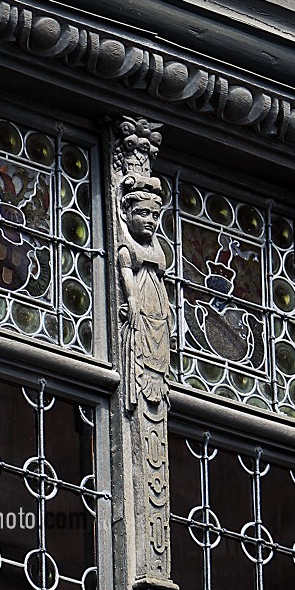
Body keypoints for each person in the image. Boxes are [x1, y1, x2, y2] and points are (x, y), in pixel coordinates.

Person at [117, 173, 172, 413]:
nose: (151, 220)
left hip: (158, 308)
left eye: (155, 215)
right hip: (139, 304)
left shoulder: (156, 251)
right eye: (143, 213)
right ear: (125, 214)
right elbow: (126, 273)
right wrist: (131, 300)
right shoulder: (127, 250)